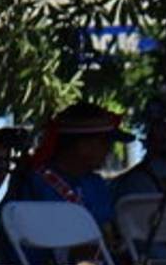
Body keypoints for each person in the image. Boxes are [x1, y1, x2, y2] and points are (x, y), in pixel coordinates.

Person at [10, 100, 131, 238]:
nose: (108, 151)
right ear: (82, 146)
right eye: (104, 143)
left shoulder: (96, 184)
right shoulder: (34, 183)